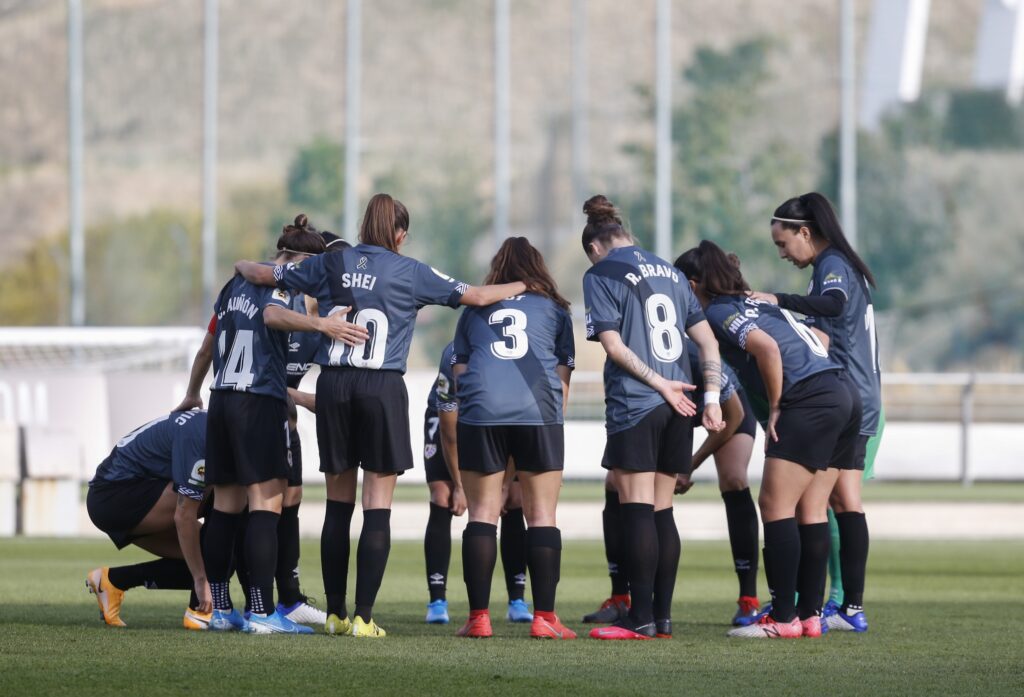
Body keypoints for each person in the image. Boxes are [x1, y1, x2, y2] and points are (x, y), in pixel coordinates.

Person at [235, 193, 528, 638]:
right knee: (377, 505)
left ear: (362, 226)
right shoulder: (410, 270)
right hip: (381, 388)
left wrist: (240, 265)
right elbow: (478, 295)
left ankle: (334, 614)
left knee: (337, 507)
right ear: (400, 234)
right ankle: (364, 618)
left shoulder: (332, 263)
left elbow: (261, 273)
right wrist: (524, 284)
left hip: (334, 385)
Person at [174, 228, 365, 628]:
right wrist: (321, 325)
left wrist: (192, 393)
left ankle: (220, 610)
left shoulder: (233, 286)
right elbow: (272, 315)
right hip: (258, 401)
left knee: (226, 507)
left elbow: (208, 347)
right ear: (302, 263)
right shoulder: (281, 288)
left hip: (221, 399)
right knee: (266, 505)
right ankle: (261, 612)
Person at [676, 240, 860, 639]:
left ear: (691, 286)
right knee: (811, 508)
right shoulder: (758, 303)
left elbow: (768, 349)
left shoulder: (719, 310)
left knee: (775, 505)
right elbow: (820, 340)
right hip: (843, 392)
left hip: (808, 400)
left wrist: (777, 405)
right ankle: (809, 617)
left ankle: (782, 618)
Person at [579, 195, 725, 641]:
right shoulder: (672, 272)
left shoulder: (600, 273)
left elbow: (613, 345)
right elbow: (709, 343)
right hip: (683, 402)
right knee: (663, 509)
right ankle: (661, 619)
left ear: (594, 247)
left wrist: (658, 383)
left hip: (638, 401)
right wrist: (712, 399)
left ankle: (638, 618)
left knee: (637, 506)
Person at [749, 192, 882, 633]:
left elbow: (834, 305)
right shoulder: (840, 263)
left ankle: (818, 606)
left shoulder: (832, 265)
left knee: (818, 502)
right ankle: (845, 607)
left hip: (844, 392)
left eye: (783, 243)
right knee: (842, 500)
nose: (783, 253)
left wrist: (778, 300)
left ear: (805, 232)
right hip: (861, 394)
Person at [582, 343, 760, 631]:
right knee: (616, 483)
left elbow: (734, 415)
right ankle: (620, 597)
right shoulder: (627, 358)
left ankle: (748, 598)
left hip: (727, 414)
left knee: (734, 478)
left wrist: (691, 464)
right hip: (673, 413)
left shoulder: (692, 356)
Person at [450, 237, 576, 640]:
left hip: (482, 410)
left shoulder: (475, 309)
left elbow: (459, 373)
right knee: (541, 516)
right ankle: (545, 618)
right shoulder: (555, 308)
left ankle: (478, 619)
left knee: (482, 514)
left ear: (497, 269)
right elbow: (562, 379)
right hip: (538, 412)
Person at [421, 342, 532, 625]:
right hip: (450, 419)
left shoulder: (514, 358)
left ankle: (517, 599)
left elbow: (516, 430)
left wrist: (503, 485)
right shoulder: (453, 354)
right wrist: (460, 485)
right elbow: (449, 434)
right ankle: (437, 600)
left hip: (498, 420)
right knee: (442, 495)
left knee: (514, 498)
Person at [86, 409, 210, 629]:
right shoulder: (202, 432)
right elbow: (184, 516)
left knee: (214, 554)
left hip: (118, 495)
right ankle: (201, 612)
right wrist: (201, 579)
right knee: (219, 502)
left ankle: (113, 580)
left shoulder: (211, 423)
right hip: (113, 496)